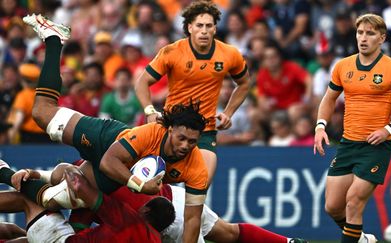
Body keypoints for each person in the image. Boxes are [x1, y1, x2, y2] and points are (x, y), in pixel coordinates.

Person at [21, 13, 210, 243]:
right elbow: (109, 161)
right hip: (106, 141)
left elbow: (192, 220)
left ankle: (7, 177)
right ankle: (54, 39)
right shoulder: (151, 133)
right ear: (170, 130)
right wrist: (140, 184)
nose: (186, 146)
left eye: (192, 142)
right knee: (42, 114)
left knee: (55, 198)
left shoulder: (196, 169)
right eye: (182, 138)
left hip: (116, 170)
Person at [314, 13, 391, 243]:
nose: (363, 38)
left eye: (370, 33)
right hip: (347, 144)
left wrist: (388, 130)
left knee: (353, 201)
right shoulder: (343, 66)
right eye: (360, 32)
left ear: (381, 38)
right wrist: (320, 127)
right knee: (333, 207)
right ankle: (362, 239)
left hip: (376, 146)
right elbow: (329, 98)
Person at [11, 161, 308, 243]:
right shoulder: (98, 167)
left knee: (33, 208)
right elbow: (61, 176)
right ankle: (288, 242)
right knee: (228, 233)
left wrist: (35, 177)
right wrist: (37, 174)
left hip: (170, 221)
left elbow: (78, 226)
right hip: (175, 199)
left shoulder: (85, 193)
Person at [134, 0, 250, 185]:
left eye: (208, 26)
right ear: (189, 27)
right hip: (171, 128)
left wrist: (228, 112)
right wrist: (149, 111)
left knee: (200, 185)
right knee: (157, 185)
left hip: (205, 131)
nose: (204, 30)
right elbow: (142, 83)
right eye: (199, 25)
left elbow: (244, 83)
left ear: (215, 28)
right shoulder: (171, 52)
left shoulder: (230, 54)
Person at [0, 163, 175, 242]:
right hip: (68, 236)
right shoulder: (155, 240)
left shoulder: (128, 218)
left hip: (61, 240)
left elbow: (79, 186)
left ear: (145, 209)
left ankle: (3, 172)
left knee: (28, 199)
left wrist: (69, 169)